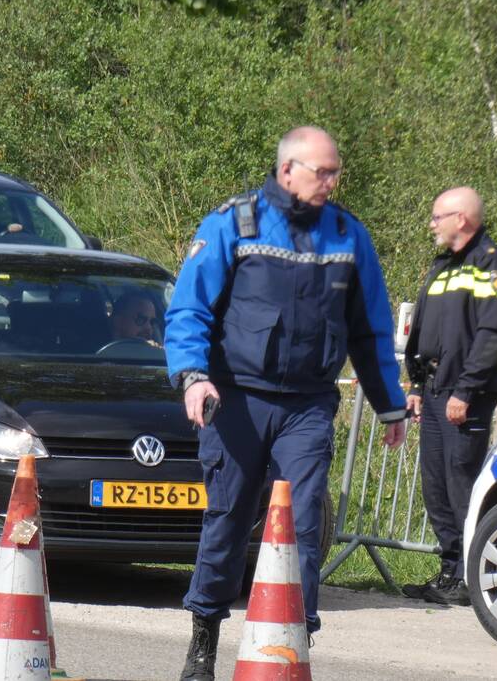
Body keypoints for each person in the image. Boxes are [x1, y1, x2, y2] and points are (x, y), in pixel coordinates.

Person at [165, 126, 407, 681]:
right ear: (287, 170)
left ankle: (294, 641)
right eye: (321, 171)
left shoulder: (349, 236)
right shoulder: (234, 222)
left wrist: (390, 405)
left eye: (335, 171)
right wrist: (193, 377)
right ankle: (204, 636)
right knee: (227, 518)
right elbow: (190, 308)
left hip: (307, 404)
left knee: (302, 521)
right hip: (237, 399)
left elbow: (369, 330)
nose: (331, 181)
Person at [401, 186, 497, 606]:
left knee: (461, 483)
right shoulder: (443, 266)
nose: (432, 225)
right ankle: (450, 571)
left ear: (463, 219)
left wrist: (466, 391)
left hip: (464, 396)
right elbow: (423, 330)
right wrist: (417, 384)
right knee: (435, 484)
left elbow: (493, 338)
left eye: (438, 217)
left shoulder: (494, 268)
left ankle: (476, 577)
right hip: (435, 390)